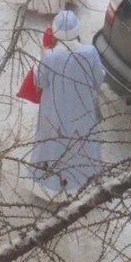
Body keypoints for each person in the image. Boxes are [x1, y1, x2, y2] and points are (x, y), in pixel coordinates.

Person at [29, 10, 106, 200]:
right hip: (83, 112)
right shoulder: (90, 52)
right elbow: (99, 78)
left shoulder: (50, 56)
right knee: (82, 146)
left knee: (53, 148)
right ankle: (82, 186)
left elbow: (40, 81)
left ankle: (50, 189)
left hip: (54, 114)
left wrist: (40, 58)